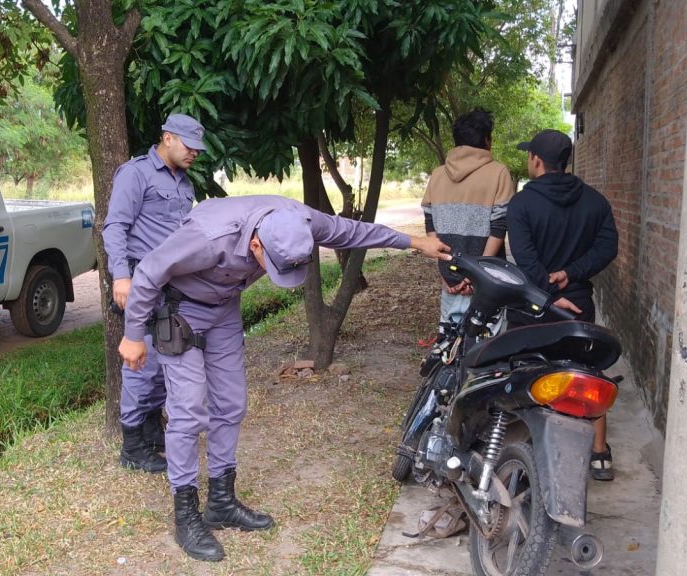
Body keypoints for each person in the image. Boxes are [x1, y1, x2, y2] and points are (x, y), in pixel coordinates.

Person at [118, 196, 452, 562]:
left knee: (231, 404)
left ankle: (221, 502)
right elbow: (149, 271)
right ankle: (186, 515)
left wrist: (417, 242)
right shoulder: (208, 237)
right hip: (182, 310)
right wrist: (134, 334)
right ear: (256, 244)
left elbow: (353, 232)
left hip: (224, 309)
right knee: (188, 412)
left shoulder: (301, 221)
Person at [508, 129, 619, 481]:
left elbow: (525, 260)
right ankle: (599, 454)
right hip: (578, 301)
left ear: (537, 161)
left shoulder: (522, 204)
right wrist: (570, 275)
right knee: (586, 372)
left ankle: (528, 449)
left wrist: (548, 293)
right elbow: (606, 249)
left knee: (528, 372)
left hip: (533, 306)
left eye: (529, 156)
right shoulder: (596, 201)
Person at [102, 113, 206, 473]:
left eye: (198, 148)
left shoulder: (185, 182)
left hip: (172, 287)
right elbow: (115, 226)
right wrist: (120, 277)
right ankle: (132, 445)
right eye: (189, 145)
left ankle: (150, 429)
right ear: (167, 138)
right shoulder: (136, 173)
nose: (195, 153)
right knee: (141, 366)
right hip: (139, 283)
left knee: (167, 362)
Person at [421, 108, 514, 345]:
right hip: (486, 280)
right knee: (484, 350)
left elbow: (430, 222)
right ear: (487, 140)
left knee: (448, 345)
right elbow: (499, 226)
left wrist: (445, 270)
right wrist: (478, 275)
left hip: (450, 277)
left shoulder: (438, 174)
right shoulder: (499, 173)